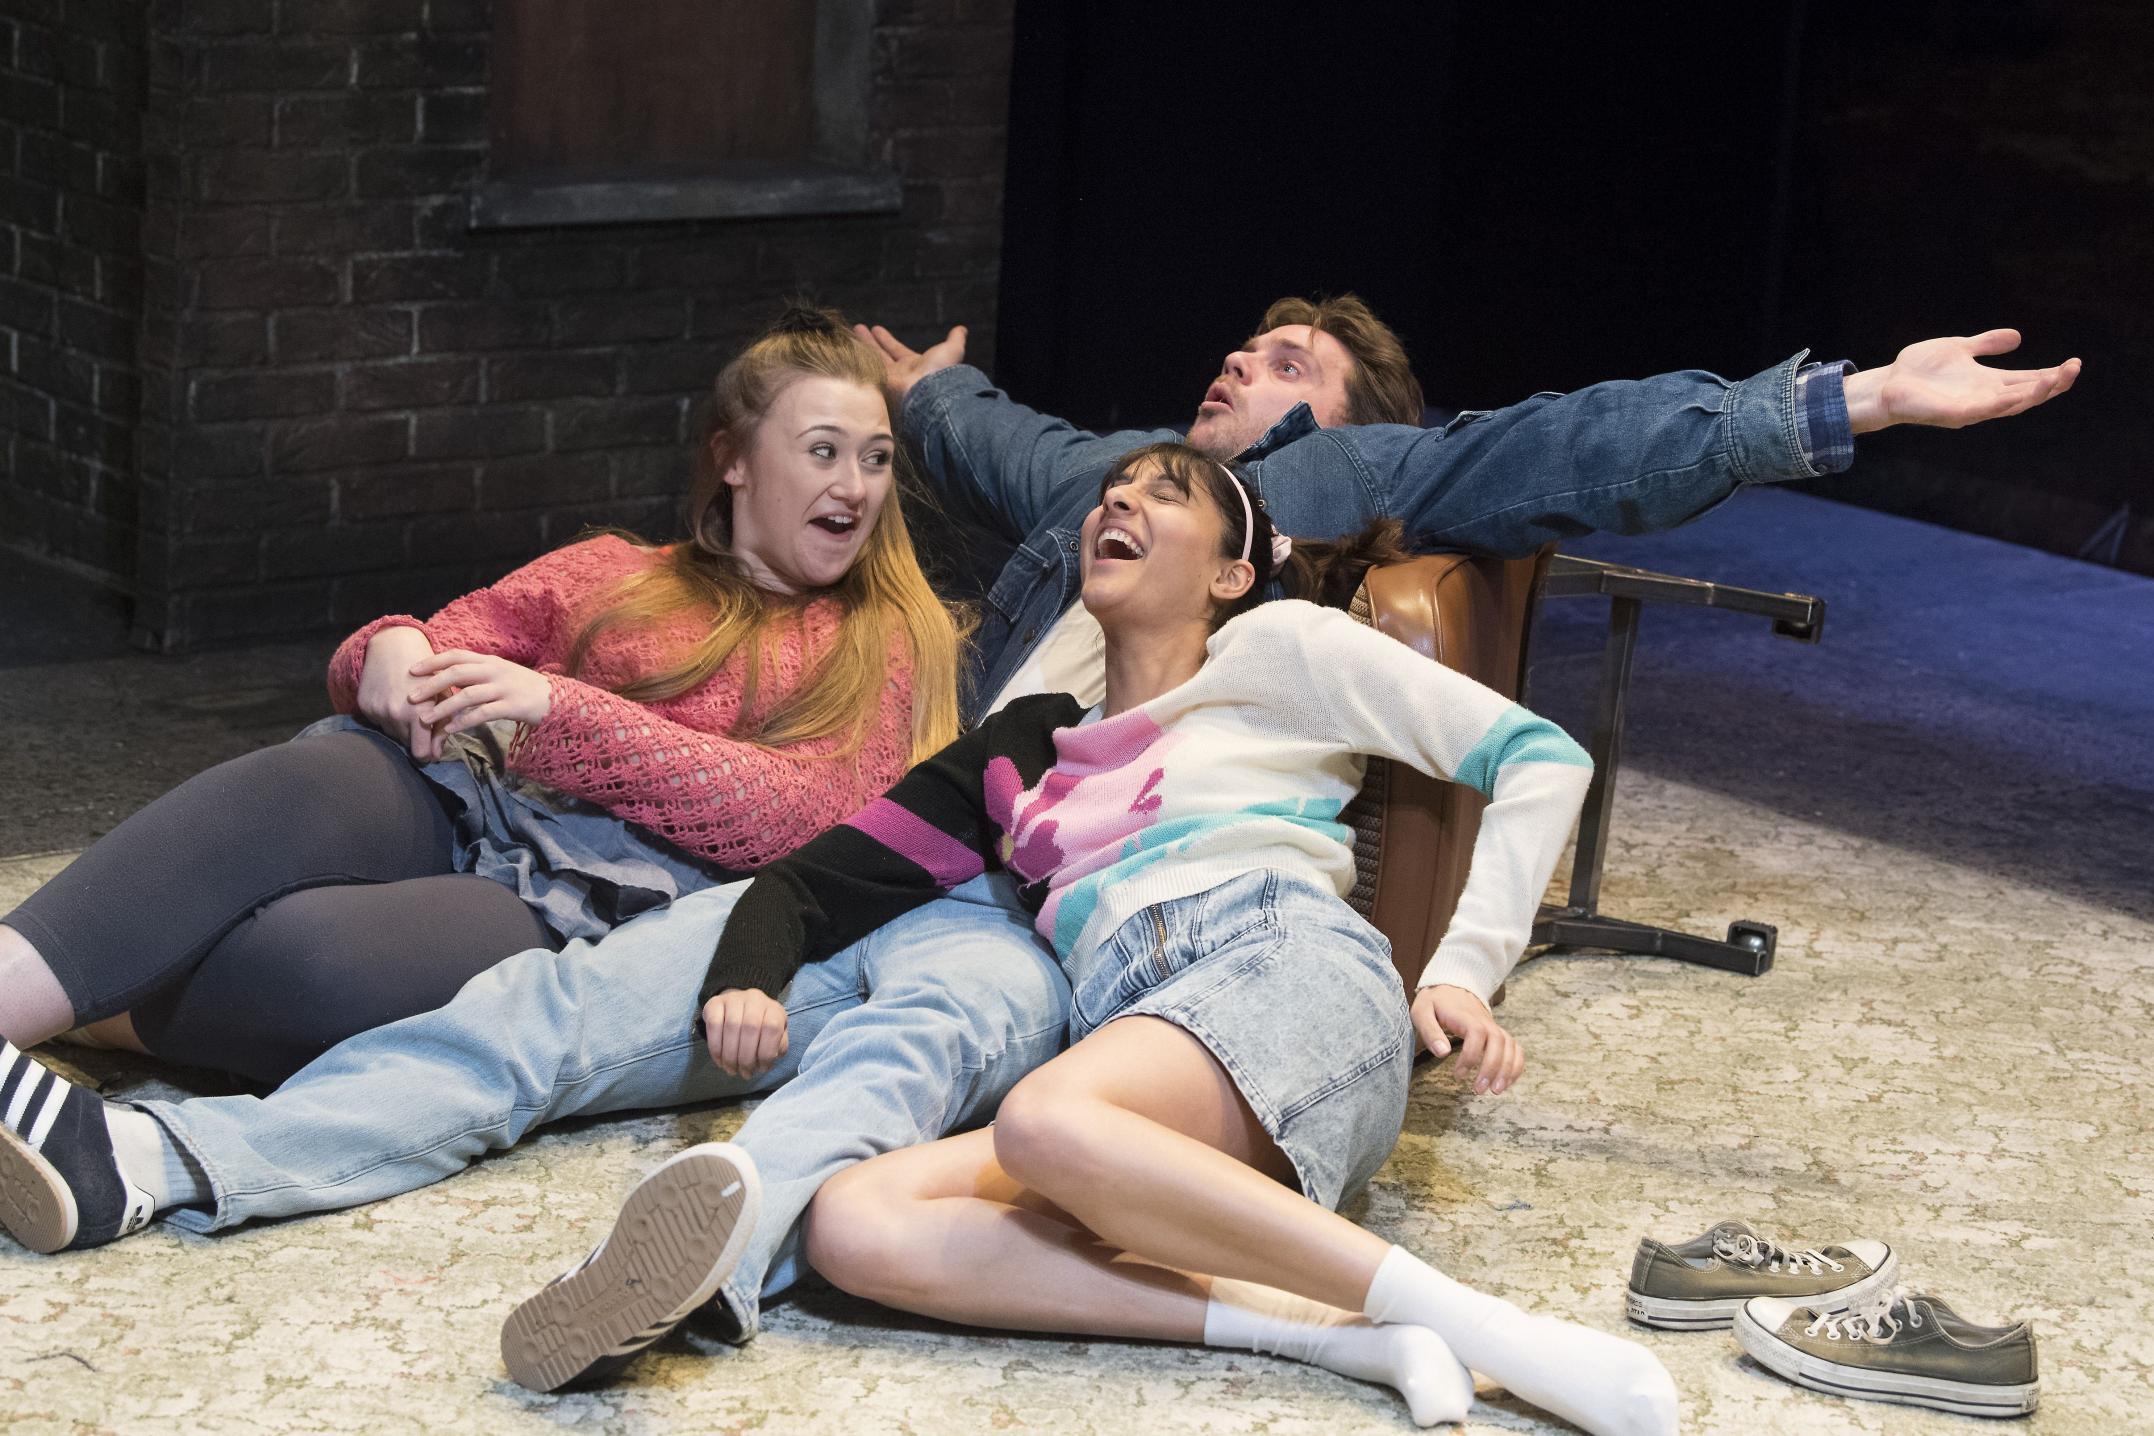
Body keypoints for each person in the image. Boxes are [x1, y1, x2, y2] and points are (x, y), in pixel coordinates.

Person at [515, 441, 1670, 1434]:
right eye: (1111, 490)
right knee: (854, 1223)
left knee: (1046, 1117)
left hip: (1282, 964)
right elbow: (830, 873)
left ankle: (1490, 1330)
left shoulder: (1282, 650)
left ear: (1233, 571)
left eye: (1166, 493)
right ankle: (1338, 1337)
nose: (1119, 501)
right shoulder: (1037, 754)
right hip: (1145, 1071)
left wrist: (1465, 967)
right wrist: (752, 972)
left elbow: (1540, 755)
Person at [0, 306, 965, 1085]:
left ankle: (93, 996)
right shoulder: (613, 571)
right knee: (300, 783)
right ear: (736, 457)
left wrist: (562, 713)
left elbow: (808, 813)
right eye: (825, 450)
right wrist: (391, 646)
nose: (858, 484)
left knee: (308, 965)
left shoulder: (883, 637)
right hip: (464, 792)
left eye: (875, 457)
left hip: (587, 890)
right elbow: (445, 642)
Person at [854, 297, 2080, 719]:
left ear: (1354, 416)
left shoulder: (1349, 474)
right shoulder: (1121, 469)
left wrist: (1855, 400)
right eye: (1244, 350)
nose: (1241, 366)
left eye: (1291, 366)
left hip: (1104, 834)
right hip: (943, 765)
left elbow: (1571, 444)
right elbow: (1000, 440)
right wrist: (927, 387)